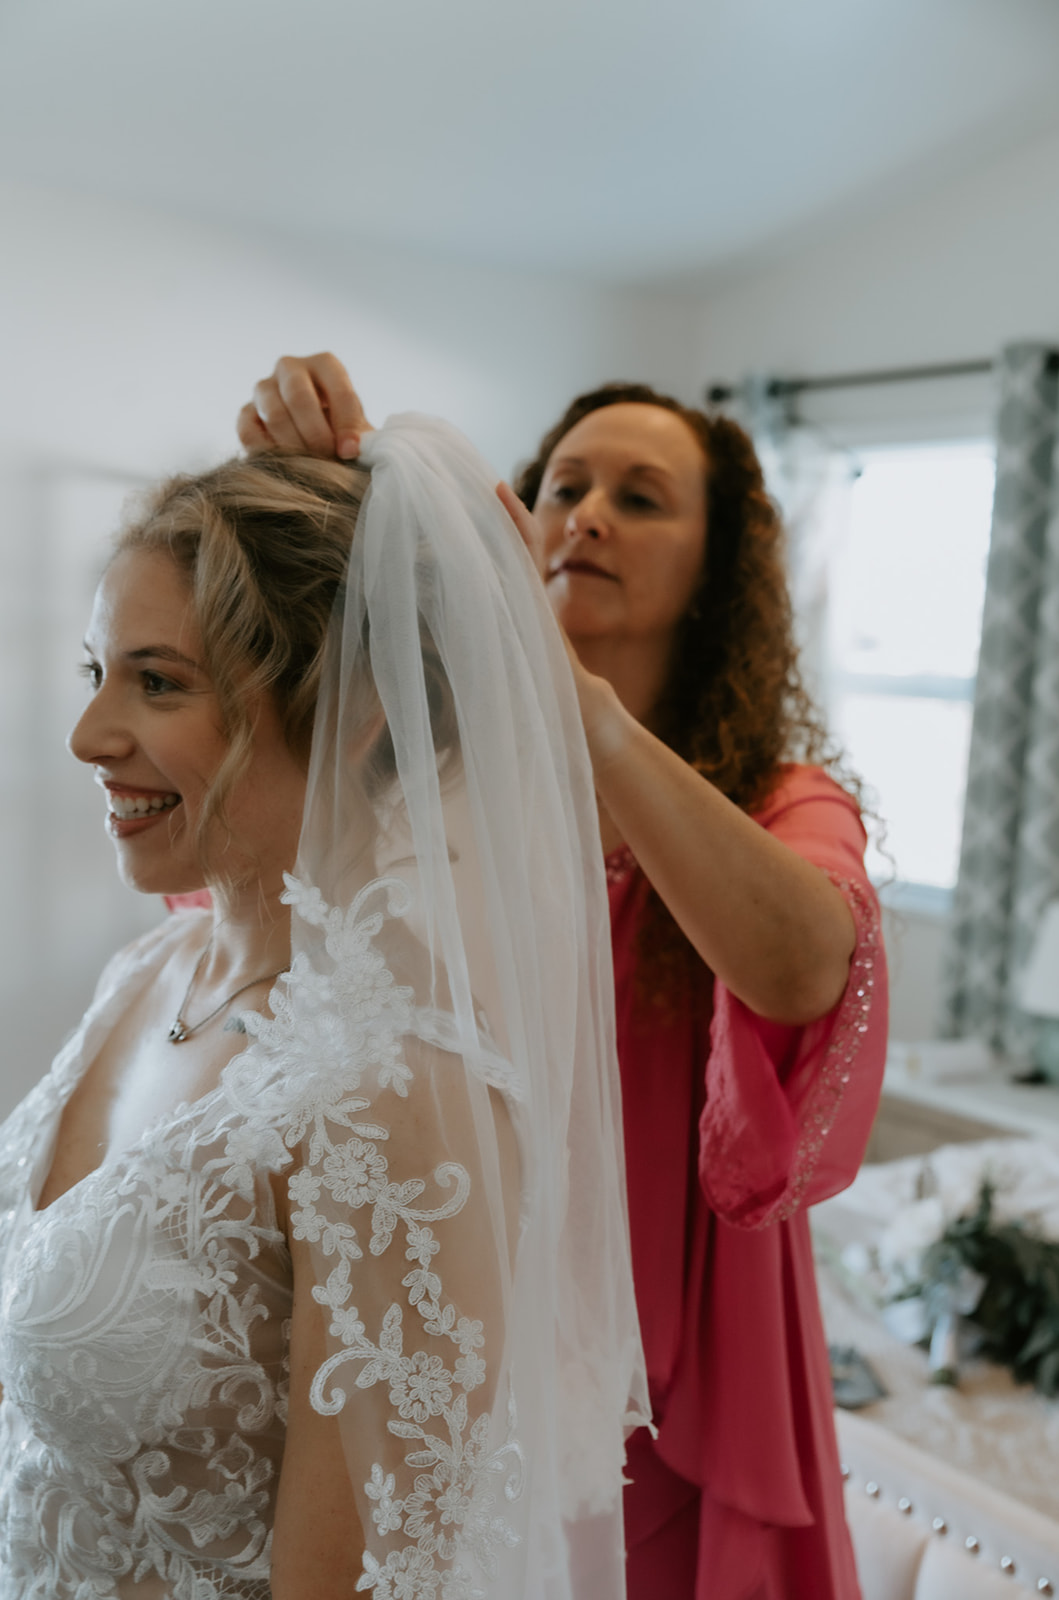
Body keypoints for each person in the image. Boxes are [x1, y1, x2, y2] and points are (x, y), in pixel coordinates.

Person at [237, 355, 890, 1600]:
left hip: (684, 1360)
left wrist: (576, 713)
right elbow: (258, 911)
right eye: (562, 485)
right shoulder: (417, 783)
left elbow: (806, 968)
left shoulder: (783, 801)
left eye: (641, 498)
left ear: (718, 575)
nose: (583, 513)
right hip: (441, 1322)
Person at [0, 418, 649, 1598]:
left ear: (355, 715)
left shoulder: (400, 1092)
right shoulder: (143, 977)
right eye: (97, 672)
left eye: (159, 682)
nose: (89, 736)